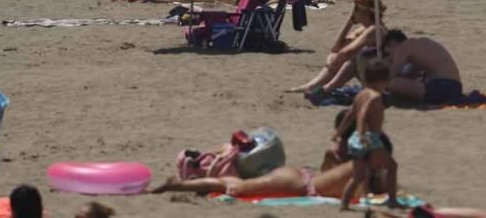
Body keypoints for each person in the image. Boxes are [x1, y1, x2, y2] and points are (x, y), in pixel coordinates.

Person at [287, 0, 387, 100]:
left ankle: (322, 88)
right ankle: (315, 86)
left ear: (366, 12)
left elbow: (347, 51)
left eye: (356, 8)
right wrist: (349, 22)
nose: (353, 12)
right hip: (371, 73)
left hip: (380, 79)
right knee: (344, 56)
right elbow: (337, 47)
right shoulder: (366, 28)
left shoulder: (375, 30)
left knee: (351, 58)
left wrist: (335, 59)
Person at [336, 58, 399, 209]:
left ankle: (344, 203)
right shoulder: (375, 97)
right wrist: (361, 131)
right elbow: (362, 114)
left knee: (358, 176)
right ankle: (392, 200)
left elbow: (350, 114)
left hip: (356, 141)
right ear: (382, 81)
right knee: (392, 166)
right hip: (370, 140)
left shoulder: (361, 94)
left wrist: (338, 132)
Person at [152, 160, 358, 199]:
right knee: (235, 187)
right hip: (301, 181)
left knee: (231, 185)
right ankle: (178, 185)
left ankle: (181, 185)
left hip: (298, 178)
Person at [382, 29, 463, 104]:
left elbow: (389, 77)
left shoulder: (402, 48)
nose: (390, 58)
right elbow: (410, 76)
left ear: (391, 44)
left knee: (393, 84)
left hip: (443, 86)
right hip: (454, 87)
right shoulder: (417, 47)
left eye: (388, 54)